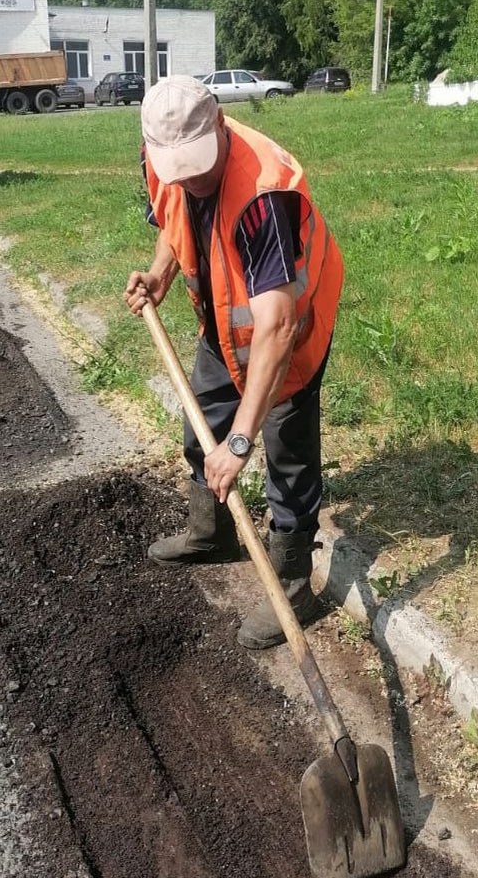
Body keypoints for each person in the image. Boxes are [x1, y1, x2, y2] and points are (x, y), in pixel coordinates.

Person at [124, 75, 344, 650]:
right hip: (225, 319)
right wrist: (158, 276)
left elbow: (276, 324)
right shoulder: (163, 160)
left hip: (291, 329)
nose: (194, 178)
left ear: (220, 123)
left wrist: (242, 442)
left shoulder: (262, 196)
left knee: (286, 453)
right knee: (202, 422)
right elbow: (176, 221)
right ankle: (211, 532)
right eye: (180, 169)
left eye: (201, 164)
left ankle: (294, 586)